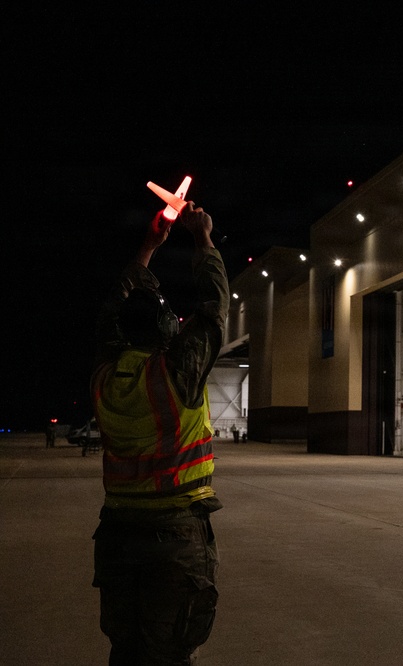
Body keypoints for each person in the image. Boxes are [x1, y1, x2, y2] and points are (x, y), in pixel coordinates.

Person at [90, 202, 228, 665]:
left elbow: (116, 305)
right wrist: (202, 238)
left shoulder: (106, 375)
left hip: (117, 536)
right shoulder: (175, 373)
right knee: (169, 653)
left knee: (125, 651)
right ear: (168, 327)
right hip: (172, 535)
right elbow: (213, 310)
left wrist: (150, 246)